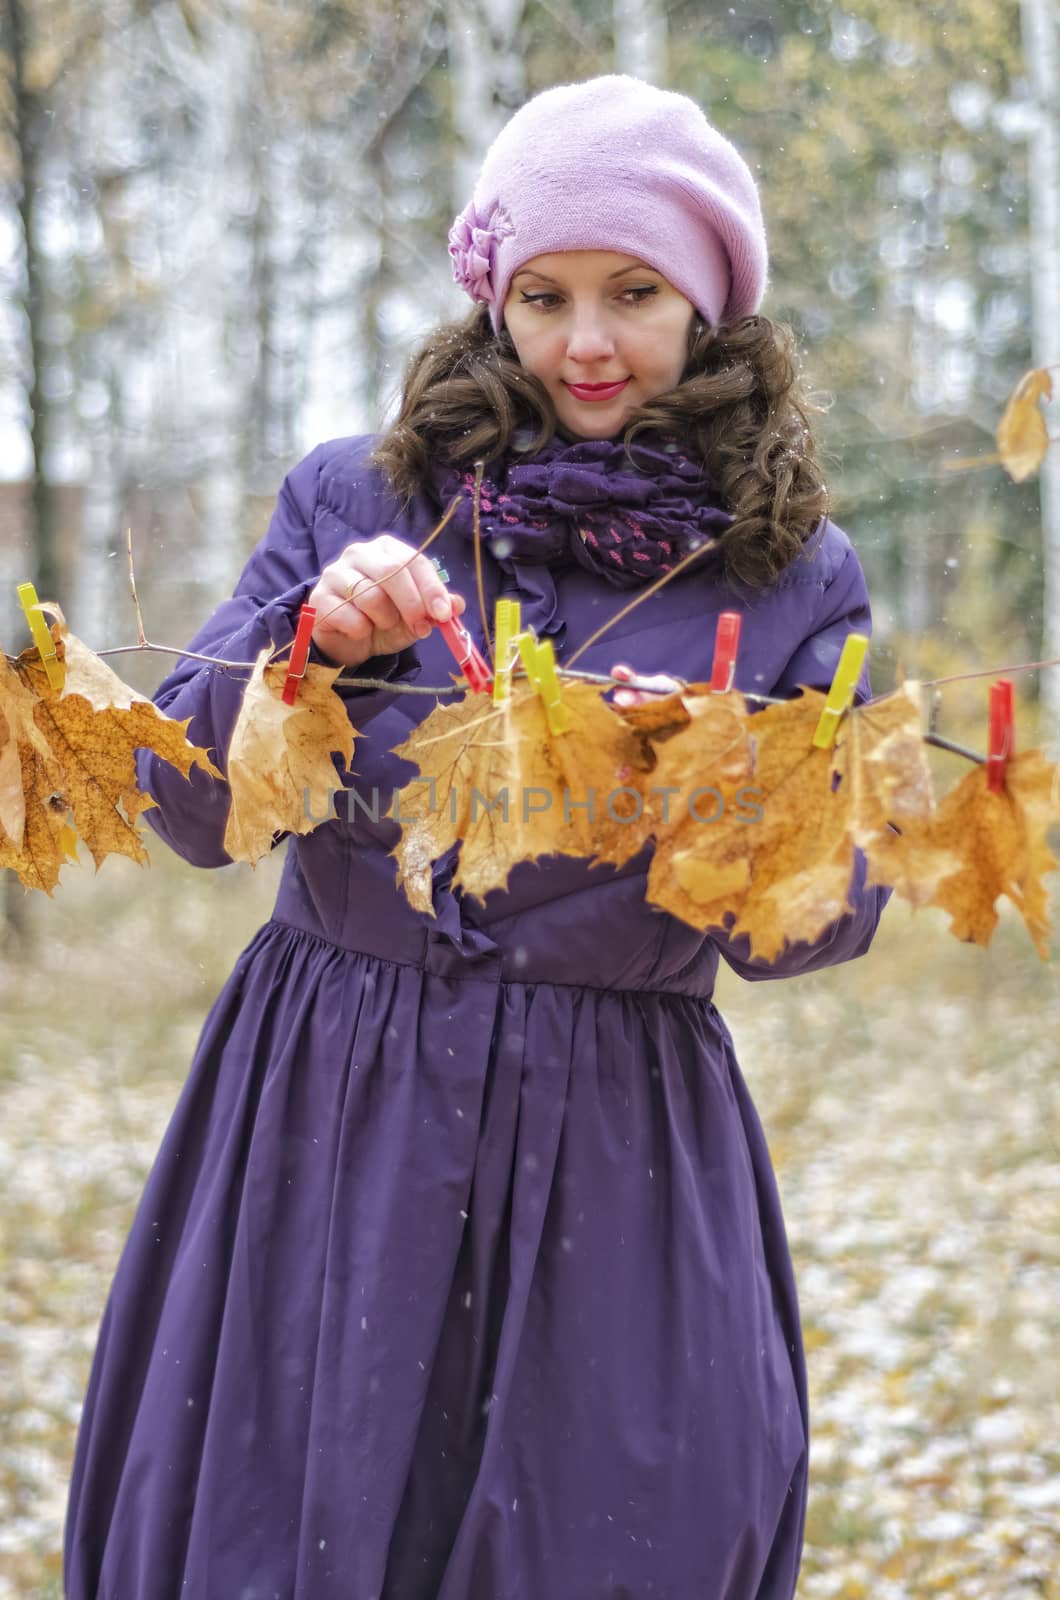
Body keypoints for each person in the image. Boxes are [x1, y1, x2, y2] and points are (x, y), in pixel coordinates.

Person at [64, 74, 890, 1600]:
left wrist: (715, 773)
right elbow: (187, 807)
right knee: (293, 1530)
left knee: (609, 1542)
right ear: (491, 299)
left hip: (618, 1146)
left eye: (636, 293)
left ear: (707, 303)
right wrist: (315, 650)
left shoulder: (787, 573)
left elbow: (821, 925)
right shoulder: (362, 499)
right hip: (331, 1115)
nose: (587, 340)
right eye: (546, 293)